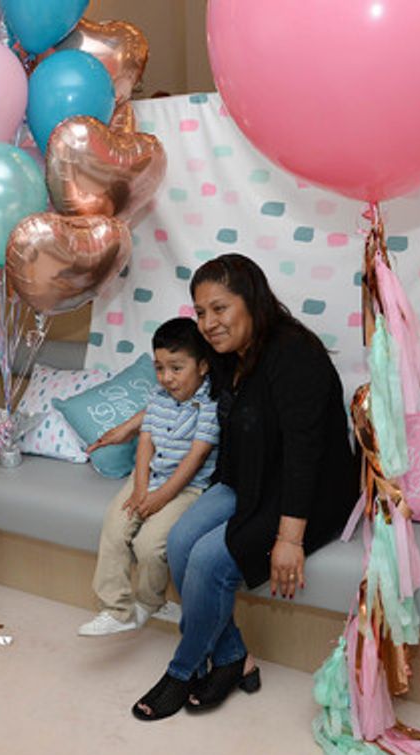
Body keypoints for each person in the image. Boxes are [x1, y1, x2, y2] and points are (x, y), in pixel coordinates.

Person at [93, 254, 358, 721]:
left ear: (251, 301)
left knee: (209, 561)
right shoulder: (224, 354)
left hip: (305, 492)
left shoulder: (295, 354)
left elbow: (305, 453)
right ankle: (233, 657)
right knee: (179, 541)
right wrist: (131, 427)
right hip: (246, 480)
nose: (209, 323)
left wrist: (290, 538)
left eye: (219, 308)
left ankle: (182, 670)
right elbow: (176, 397)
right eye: (200, 312)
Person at [78, 317, 219, 637]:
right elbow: (145, 442)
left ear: (202, 366)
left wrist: (160, 497)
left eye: (176, 368)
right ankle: (115, 609)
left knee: (150, 545)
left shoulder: (210, 403)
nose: (167, 377)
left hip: (185, 488)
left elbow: (196, 458)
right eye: (159, 368)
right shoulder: (158, 397)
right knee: (115, 527)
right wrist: (141, 488)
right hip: (149, 477)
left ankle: (150, 601)